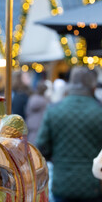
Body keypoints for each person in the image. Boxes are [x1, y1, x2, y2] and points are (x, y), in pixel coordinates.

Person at [36, 67, 102, 202]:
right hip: (93, 186)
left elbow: (41, 148)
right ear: (93, 86)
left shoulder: (53, 110)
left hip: (62, 184)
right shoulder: (99, 111)